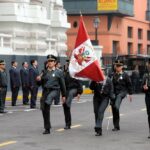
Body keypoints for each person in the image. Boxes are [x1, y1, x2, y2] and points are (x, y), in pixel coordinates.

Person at [38, 55, 66, 134]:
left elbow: (62, 84)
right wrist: (38, 80)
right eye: (48, 61)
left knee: (48, 101)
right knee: (44, 110)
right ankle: (47, 128)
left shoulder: (59, 72)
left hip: (54, 91)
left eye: (51, 61)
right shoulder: (44, 72)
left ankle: (47, 102)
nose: (50, 62)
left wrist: (64, 95)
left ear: (55, 62)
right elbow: (39, 83)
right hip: (45, 91)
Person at [89, 67, 114, 136]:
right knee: (96, 112)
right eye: (99, 70)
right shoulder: (95, 79)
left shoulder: (108, 80)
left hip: (105, 98)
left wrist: (112, 99)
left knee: (100, 111)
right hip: (96, 98)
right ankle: (98, 131)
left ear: (104, 72)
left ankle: (98, 126)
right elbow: (91, 87)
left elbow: (111, 90)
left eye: (102, 70)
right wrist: (93, 80)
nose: (100, 71)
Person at [111, 60, 132, 131]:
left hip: (122, 92)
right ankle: (116, 126)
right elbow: (110, 85)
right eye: (116, 66)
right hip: (114, 93)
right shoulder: (112, 75)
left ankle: (117, 106)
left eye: (119, 66)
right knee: (114, 110)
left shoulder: (125, 75)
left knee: (116, 105)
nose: (117, 67)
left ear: (122, 67)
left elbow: (129, 84)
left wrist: (130, 94)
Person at [63, 61, 83, 129]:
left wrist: (79, 93)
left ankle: (67, 103)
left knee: (70, 94)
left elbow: (79, 83)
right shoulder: (65, 74)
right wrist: (63, 95)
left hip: (75, 89)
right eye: (67, 65)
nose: (68, 66)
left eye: (69, 65)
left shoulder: (75, 73)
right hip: (67, 91)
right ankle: (67, 124)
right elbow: (63, 85)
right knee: (65, 107)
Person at [142, 60, 150, 139]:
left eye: (148, 64)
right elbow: (142, 87)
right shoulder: (146, 75)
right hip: (148, 96)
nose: (147, 65)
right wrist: (144, 88)